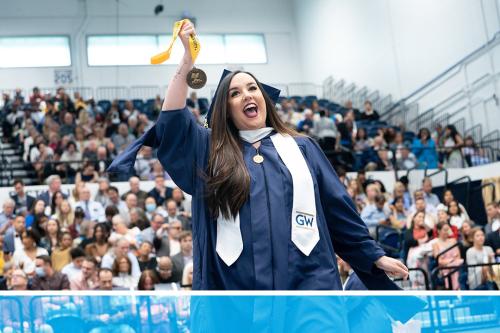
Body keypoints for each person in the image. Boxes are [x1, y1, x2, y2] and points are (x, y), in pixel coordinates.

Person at [108, 21, 407, 290]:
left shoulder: (303, 149)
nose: (248, 95)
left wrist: (374, 256)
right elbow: (172, 120)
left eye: (252, 88)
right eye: (235, 93)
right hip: (234, 288)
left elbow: (337, 212)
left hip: (308, 282)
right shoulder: (210, 150)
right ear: (225, 109)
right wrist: (188, 59)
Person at [432, 222, 463, 290]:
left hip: (456, 265)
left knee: (459, 264)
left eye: (448, 229)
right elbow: (439, 261)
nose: (447, 232)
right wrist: (451, 260)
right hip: (444, 268)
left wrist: (452, 261)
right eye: (445, 230)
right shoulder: (435, 244)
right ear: (439, 231)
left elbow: (458, 257)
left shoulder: (453, 241)